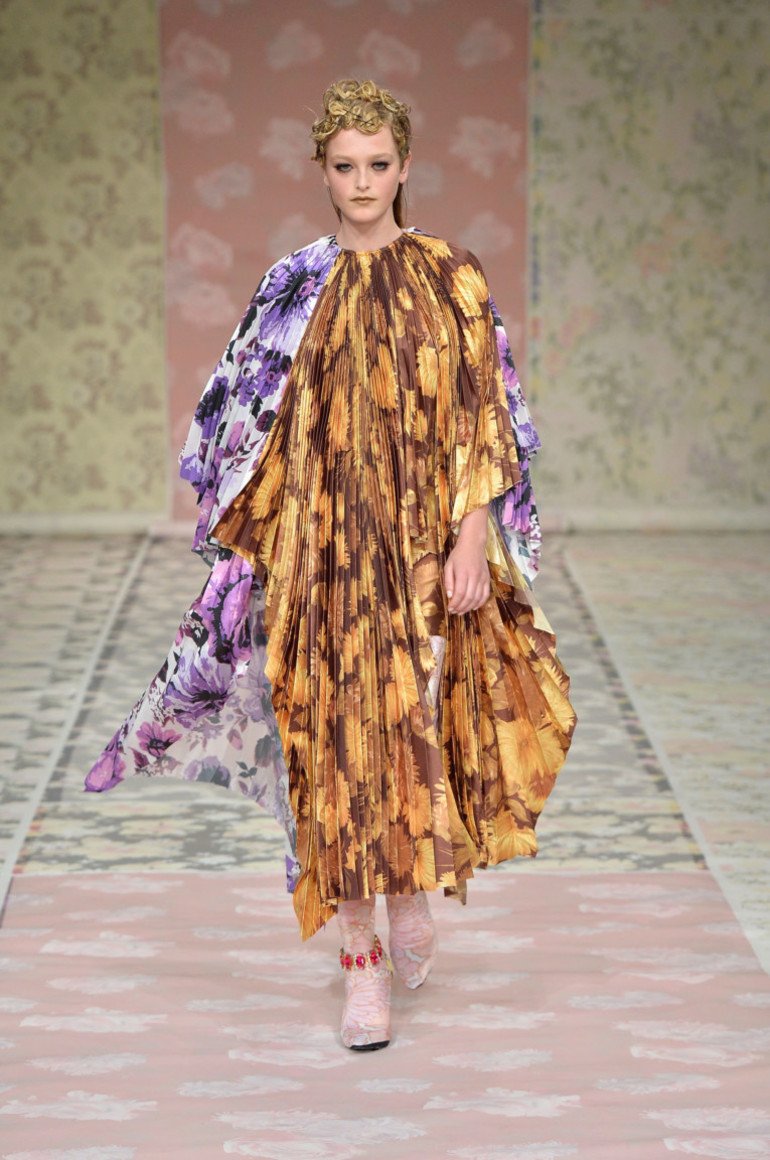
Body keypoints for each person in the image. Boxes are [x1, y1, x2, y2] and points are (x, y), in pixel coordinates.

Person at [84, 78, 576, 1052]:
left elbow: (484, 410)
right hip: (317, 554)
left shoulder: (450, 276)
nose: (361, 182)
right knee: (331, 742)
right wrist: (253, 540)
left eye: (378, 164)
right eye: (344, 165)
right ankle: (360, 958)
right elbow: (241, 410)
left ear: (404, 166)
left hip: (417, 550)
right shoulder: (292, 284)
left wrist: (470, 535)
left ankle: (411, 893)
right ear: (321, 170)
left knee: (406, 727)